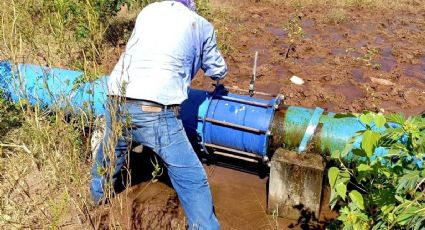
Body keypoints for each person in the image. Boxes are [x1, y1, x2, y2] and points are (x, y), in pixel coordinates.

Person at [90, 0, 227, 229]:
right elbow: (216, 68)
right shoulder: (200, 24)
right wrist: (220, 75)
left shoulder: (149, 10)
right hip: (155, 107)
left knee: (110, 156)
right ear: (191, 5)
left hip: (116, 96)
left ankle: (95, 201)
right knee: (192, 178)